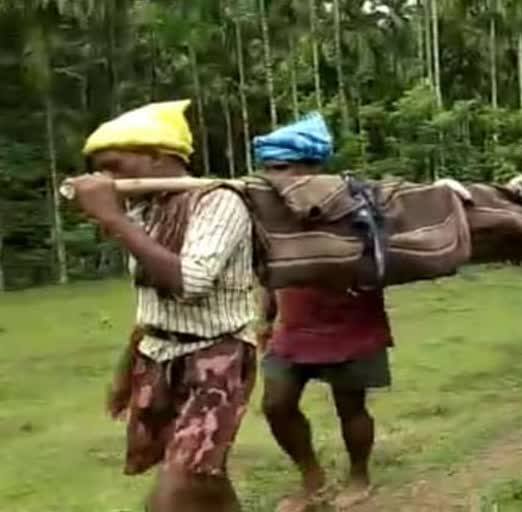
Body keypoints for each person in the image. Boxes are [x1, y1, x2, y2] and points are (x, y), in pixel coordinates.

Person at [67, 100, 257, 512]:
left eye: (116, 166)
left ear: (158, 158)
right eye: (101, 170)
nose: (107, 179)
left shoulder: (219, 202)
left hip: (216, 359)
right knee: (204, 474)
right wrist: (126, 371)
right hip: (158, 355)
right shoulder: (146, 207)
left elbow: (188, 284)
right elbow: (151, 303)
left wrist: (113, 220)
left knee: (179, 486)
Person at [253, 113, 393, 512]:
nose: (271, 177)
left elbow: (381, 254)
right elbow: (271, 269)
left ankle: (359, 475)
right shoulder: (270, 208)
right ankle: (311, 477)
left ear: (312, 168)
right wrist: (265, 318)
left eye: (281, 168)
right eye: (267, 169)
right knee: (276, 404)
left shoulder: (353, 200)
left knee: (350, 405)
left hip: (350, 319)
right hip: (294, 325)